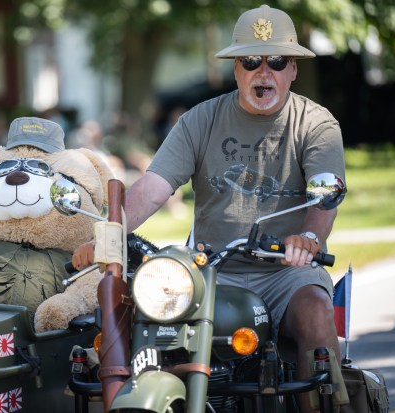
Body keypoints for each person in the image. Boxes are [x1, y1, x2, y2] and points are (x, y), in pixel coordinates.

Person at [73, 5, 345, 412]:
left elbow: (325, 198)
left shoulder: (316, 125)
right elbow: (152, 188)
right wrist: (108, 238)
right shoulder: (200, 120)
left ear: (293, 70)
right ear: (236, 68)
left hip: (287, 273)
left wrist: (308, 238)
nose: (263, 71)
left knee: (316, 313)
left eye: (276, 60)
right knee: (145, 317)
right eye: (251, 60)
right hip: (212, 271)